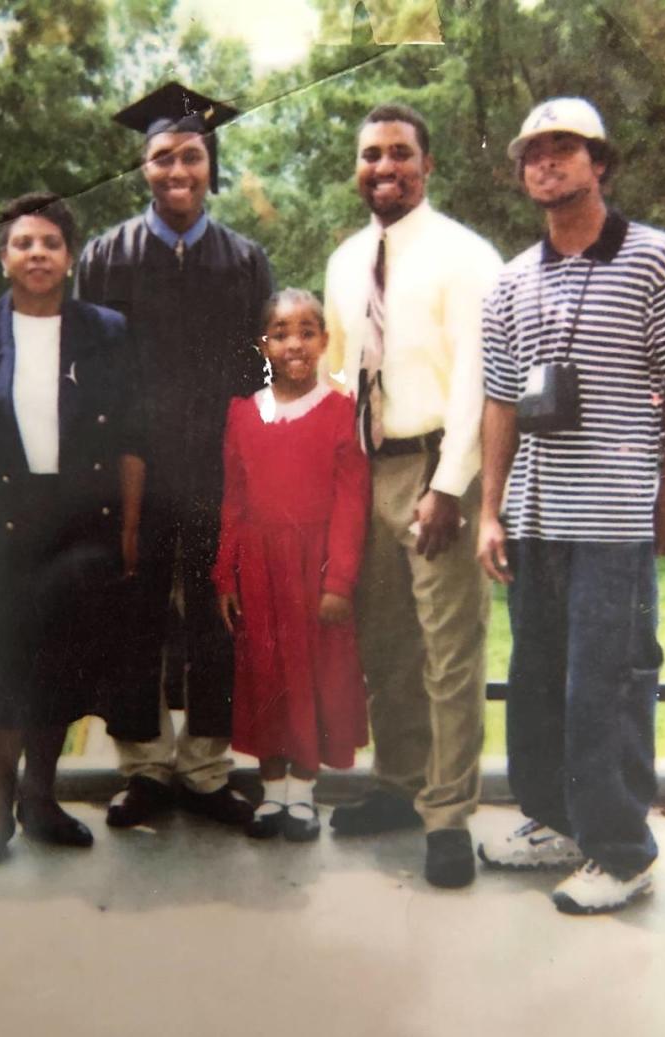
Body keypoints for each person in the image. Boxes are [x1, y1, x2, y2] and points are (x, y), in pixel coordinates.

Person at [476, 98, 665, 914]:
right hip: (536, 515)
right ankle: (557, 821)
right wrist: (491, 510)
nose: (547, 162)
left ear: (602, 163)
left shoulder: (656, 259)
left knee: (609, 682)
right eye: (533, 151)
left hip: (615, 514)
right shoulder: (510, 281)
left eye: (566, 148)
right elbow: (499, 401)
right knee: (537, 680)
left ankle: (622, 850)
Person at [0, 193, 145, 872]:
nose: (38, 253)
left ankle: (40, 800)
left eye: (51, 241)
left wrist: (130, 527)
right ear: (5, 255)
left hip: (78, 525)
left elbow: (133, 436)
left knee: (59, 667)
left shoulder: (108, 330)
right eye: (24, 242)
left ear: (70, 256)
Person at [76, 83, 273, 828]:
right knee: (133, 614)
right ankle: (146, 766)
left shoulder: (244, 260)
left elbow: (254, 375)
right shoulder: (106, 257)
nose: (177, 169)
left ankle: (207, 767)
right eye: (162, 156)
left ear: (210, 165)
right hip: (132, 472)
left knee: (216, 621)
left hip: (216, 473)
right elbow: (90, 371)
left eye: (191, 155)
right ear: (143, 166)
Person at [323, 103, 503, 888]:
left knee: (448, 649)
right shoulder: (346, 259)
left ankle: (448, 813)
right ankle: (398, 783)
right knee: (386, 644)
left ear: (428, 166)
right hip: (365, 468)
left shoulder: (467, 257)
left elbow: (478, 383)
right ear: (357, 169)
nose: (385, 168)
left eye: (401, 153)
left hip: (436, 470)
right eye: (371, 156)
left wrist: (449, 485)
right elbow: (337, 373)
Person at [213, 290, 370, 841]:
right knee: (264, 675)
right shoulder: (243, 414)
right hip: (258, 567)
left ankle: (302, 793)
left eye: (307, 331)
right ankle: (271, 788)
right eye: (280, 333)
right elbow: (234, 498)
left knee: (310, 677)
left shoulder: (340, 413)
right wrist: (224, 573)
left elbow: (352, 503)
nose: (294, 344)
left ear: (324, 341)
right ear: (264, 345)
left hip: (315, 567)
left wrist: (340, 580)